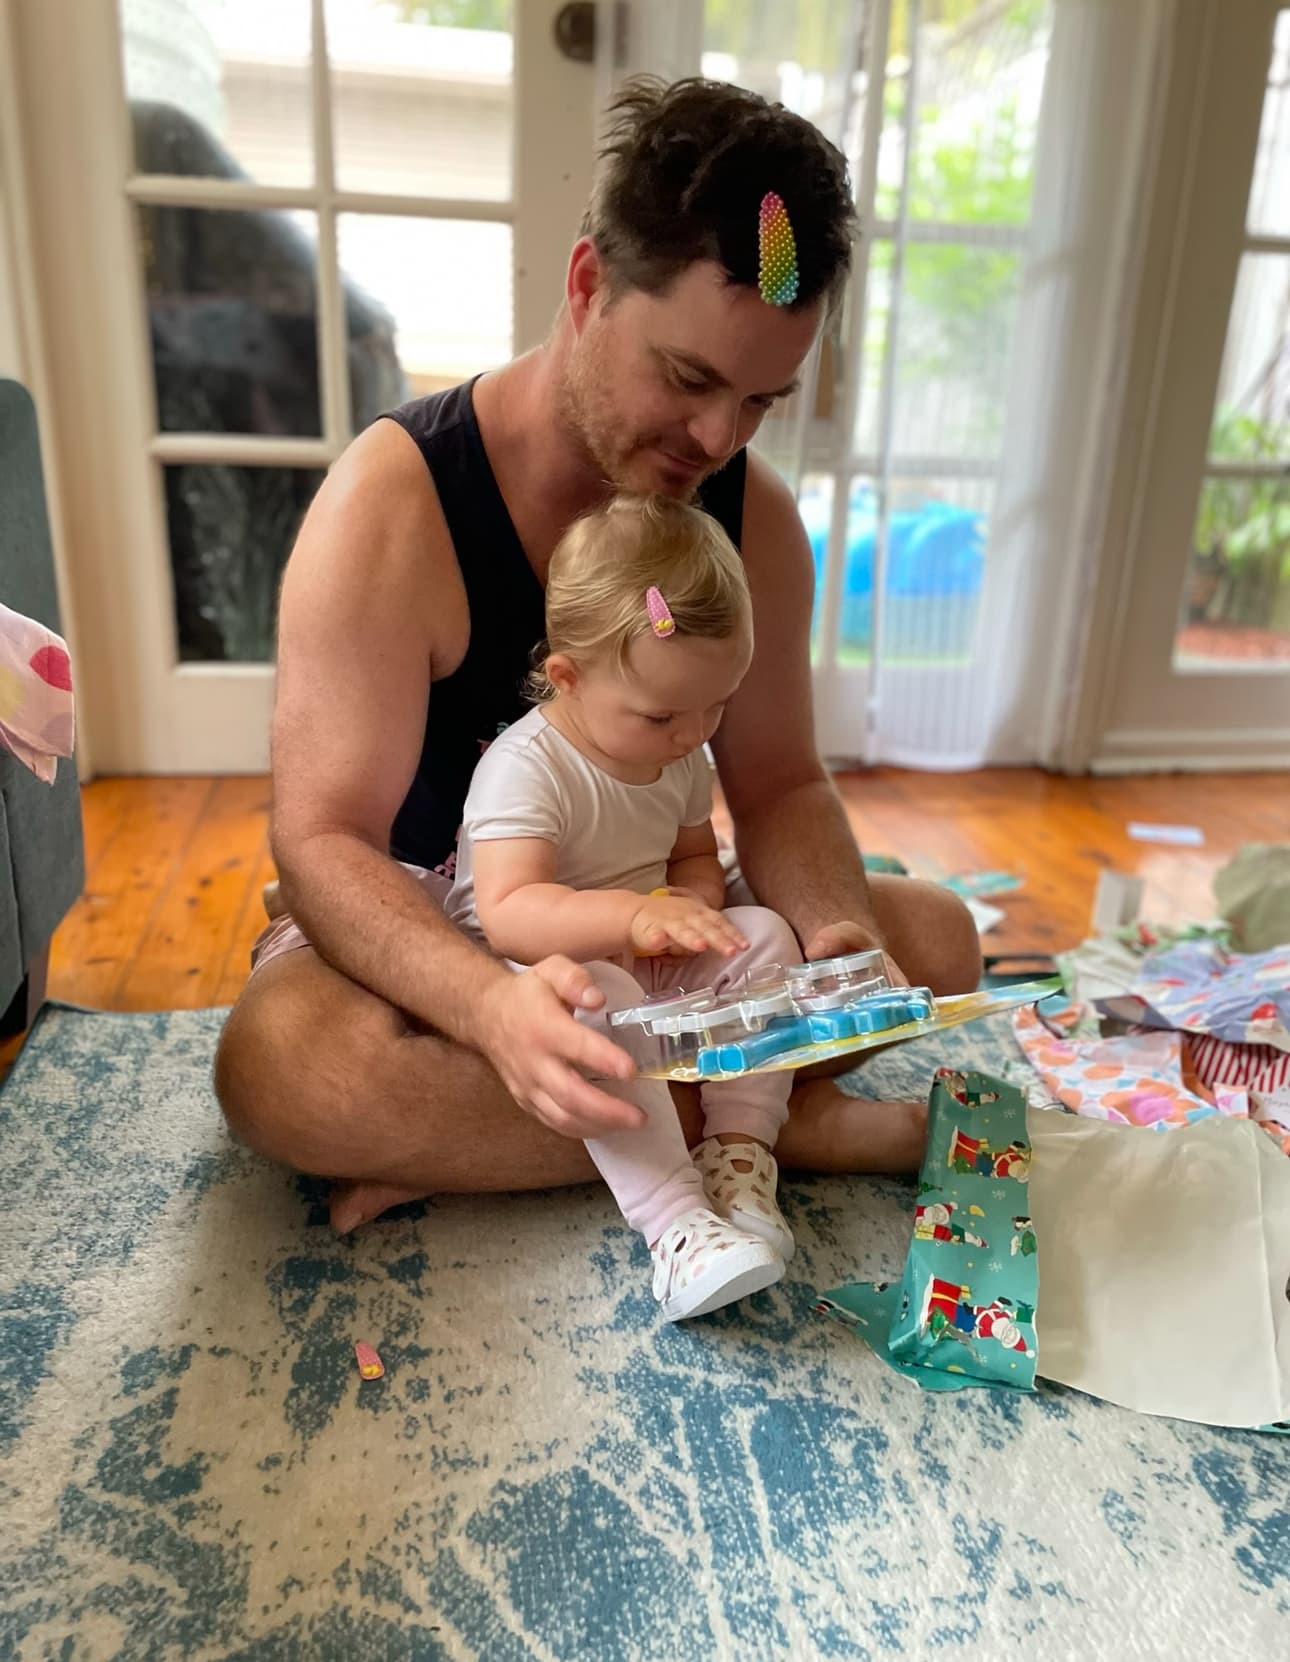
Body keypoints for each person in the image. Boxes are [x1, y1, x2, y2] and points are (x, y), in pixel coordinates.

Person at [214, 77, 981, 1233]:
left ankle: (531, 1136)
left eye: (761, 401)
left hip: (659, 921)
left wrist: (836, 938)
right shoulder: (393, 502)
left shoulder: (755, 517)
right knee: (285, 1065)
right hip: (450, 931)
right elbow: (321, 843)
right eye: (689, 379)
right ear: (587, 287)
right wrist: (487, 1009)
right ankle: (768, 1123)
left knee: (936, 942)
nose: (718, 438)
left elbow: (780, 784)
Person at [451, 492, 800, 1319]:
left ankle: (738, 1155)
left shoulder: (679, 750)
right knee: (598, 992)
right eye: (664, 714)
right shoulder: (527, 766)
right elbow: (508, 912)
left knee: (766, 936)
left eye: (717, 705)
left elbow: (693, 856)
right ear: (568, 678)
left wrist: (693, 906)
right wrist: (631, 919)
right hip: (540, 971)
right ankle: (675, 1225)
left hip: (644, 952)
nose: (694, 733)